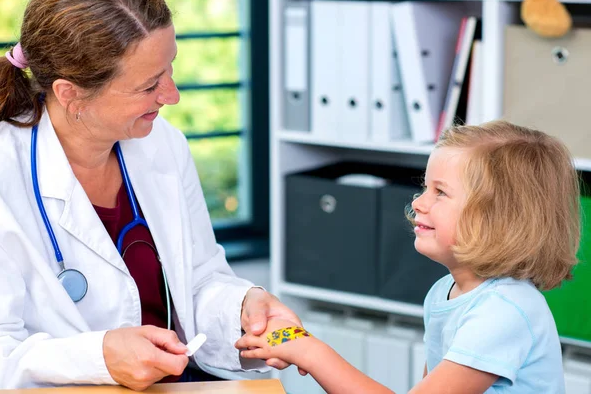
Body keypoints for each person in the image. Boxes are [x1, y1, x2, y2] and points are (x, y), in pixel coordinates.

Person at [0, 0, 302, 390]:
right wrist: (98, 358)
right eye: (149, 85)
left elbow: (199, 280)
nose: (172, 95)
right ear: (70, 93)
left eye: (169, 68)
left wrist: (242, 311)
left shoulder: (162, 145)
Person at [236, 121, 580, 394]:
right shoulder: (445, 292)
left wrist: (307, 350)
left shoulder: (506, 312)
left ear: (500, 218)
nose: (417, 202)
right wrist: (299, 343)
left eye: (440, 192)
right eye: (424, 187)